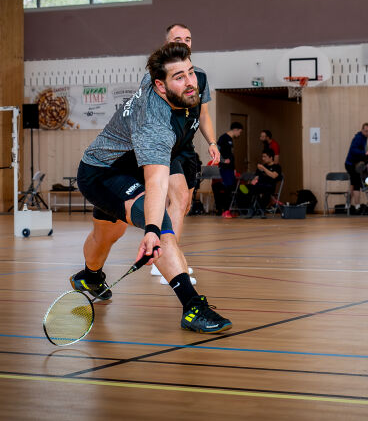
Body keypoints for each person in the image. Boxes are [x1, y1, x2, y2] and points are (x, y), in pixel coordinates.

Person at [72, 41, 231, 333]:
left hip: (130, 168)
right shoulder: (154, 123)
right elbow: (155, 181)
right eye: (179, 77)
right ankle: (193, 307)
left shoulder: (174, 82)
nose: (190, 82)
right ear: (160, 85)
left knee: (107, 232)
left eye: (190, 72)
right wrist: (152, 231)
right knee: (158, 220)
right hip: (102, 173)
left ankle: (89, 277)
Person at [149, 24, 220, 280]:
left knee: (184, 203)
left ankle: (165, 255)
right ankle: (167, 263)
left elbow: (204, 114)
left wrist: (212, 142)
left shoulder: (199, 76)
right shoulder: (156, 77)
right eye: (178, 38)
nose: (184, 42)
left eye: (188, 38)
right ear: (166, 44)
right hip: (165, 146)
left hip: (186, 147)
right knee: (178, 199)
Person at [344, 123, 368, 214]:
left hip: (355, 164)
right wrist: (365, 153)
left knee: (353, 184)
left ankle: (349, 204)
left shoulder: (363, 138)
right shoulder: (359, 138)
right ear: (362, 130)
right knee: (355, 183)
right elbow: (353, 150)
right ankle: (357, 206)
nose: (367, 133)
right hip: (351, 164)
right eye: (365, 131)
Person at [214, 122, 243, 216]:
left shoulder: (230, 139)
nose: (239, 134)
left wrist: (234, 168)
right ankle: (225, 210)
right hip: (225, 168)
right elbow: (216, 150)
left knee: (231, 188)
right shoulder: (223, 138)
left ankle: (228, 210)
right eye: (239, 132)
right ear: (235, 129)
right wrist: (222, 160)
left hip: (230, 168)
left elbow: (231, 155)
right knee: (227, 187)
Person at [244, 148, 282, 218]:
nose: (263, 158)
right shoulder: (261, 167)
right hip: (259, 185)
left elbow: (274, 176)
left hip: (270, 186)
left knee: (265, 192)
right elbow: (256, 177)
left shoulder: (277, 167)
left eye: (265, 157)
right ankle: (253, 208)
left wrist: (264, 169)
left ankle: (258, 209)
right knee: (245, 189)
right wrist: (253, 181)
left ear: (271, 157)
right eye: (262, 156)